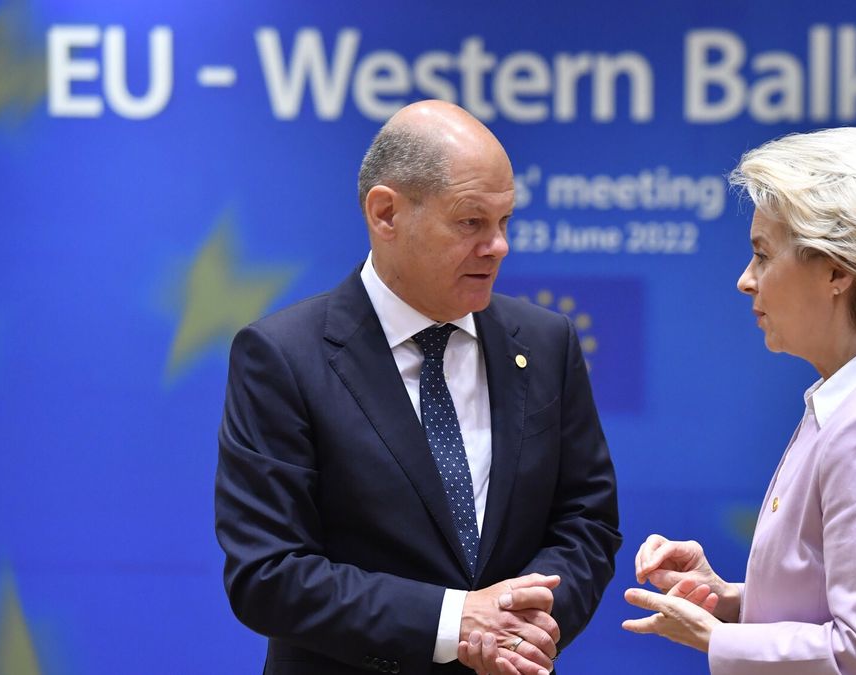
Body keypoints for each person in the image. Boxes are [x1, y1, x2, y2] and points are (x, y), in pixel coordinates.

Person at [215, 100, 620, 675]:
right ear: (386, 214)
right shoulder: (283, 356)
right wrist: (455, 622)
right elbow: (269, 573)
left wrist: (525, 622)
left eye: (505, 222)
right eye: (471, 222)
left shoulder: (545, 340)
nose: (499, 245)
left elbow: (586, 519)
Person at [622, 127, 856, 675]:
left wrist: (717, 641)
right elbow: (832, 611)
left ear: (837, 270)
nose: (745, 280)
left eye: (762, 255)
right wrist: (726, 599)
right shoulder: (853, 401)